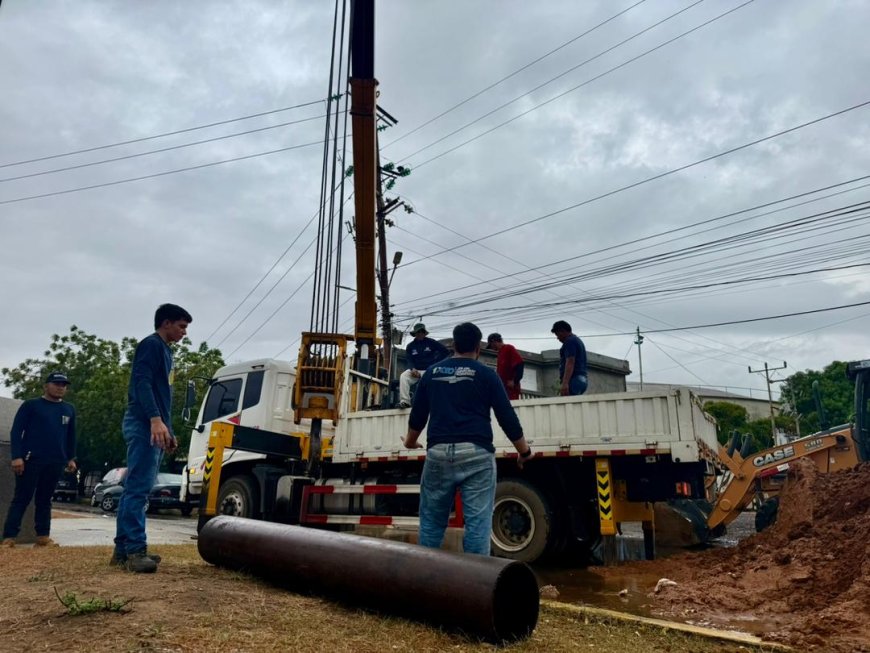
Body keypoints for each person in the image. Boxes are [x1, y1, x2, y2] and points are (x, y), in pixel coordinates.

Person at [403, 322, 531, 555]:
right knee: (478, 526)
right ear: (478, 349)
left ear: (454, 345)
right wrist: (524, 451)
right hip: (477, 454)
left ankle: (424, 575)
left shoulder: (432, 373)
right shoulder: (487, 374)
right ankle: (476, 577)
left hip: (438, 453)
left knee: (431, 523)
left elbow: (418, 415)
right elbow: (506, 416)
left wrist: (410, 442)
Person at [113, 303, 191, 573]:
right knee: (137, 489)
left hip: (155, 425)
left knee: (137, 488)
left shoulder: (166, 351)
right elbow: (142, 383)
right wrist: (155, 420)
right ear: (166, 323)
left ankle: (122, 551)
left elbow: (162, 395)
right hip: (142, 423)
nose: (184, 332)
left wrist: (168, 430)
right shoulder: (151, 345)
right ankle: (135, 550)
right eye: (181, 326)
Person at [2, 372, 77, 548]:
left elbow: (71, 436)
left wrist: (71, 458)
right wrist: (17, 456)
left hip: (55, 461)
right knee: (22, 498)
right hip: (31, 460)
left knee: (45, 500)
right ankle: (9, 537)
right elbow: (16, 431)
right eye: (56, 384)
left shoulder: (69, 409)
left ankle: (43, 536)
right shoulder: (31, 405)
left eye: (64, 385)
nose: (60, 387)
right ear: (46, 386)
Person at [398, 323, 450, 408]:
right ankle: (405, 401)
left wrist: (435, 364)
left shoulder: (431, 342)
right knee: (403, 376)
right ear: (415, 334)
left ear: (424, 333)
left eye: (422, 332)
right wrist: (412, 368)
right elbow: (409, 359)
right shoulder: (410, 346)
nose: (420, 334)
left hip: (429, 370)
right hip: (415, 371)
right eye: (418, 332)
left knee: (436, 379)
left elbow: (445, 351)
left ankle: (435, 402)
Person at [551, 320, 588, 396]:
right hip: (582, 379)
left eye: (557, 334)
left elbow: (570, 362)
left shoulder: (569, 341)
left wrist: (565, 383)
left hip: (574, 379)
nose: (557, 338)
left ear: (563, 331)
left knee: (567, 402)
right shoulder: (577, 341)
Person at [486, 333, 524, 400]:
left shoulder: (509, 348)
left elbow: (520, 364)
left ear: (494, 342)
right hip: (503, 390)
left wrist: (515, 381)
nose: (491, 348)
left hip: (510, 391)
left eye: (491, 345)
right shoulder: (500, 353)